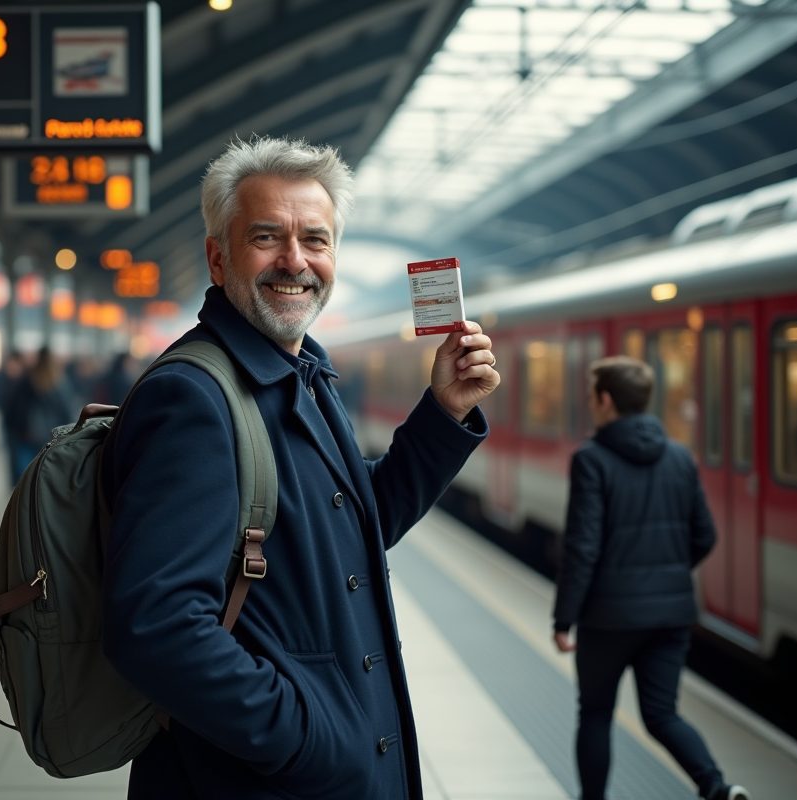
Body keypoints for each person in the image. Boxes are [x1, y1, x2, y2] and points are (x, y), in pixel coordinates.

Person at [100, 136, 499, 799]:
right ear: (217, 257)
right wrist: (308, 739)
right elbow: (156, 625)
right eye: (267, 237)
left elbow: (349, 526)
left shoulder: (300, 374)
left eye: (315, 239)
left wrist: (443, 414)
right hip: (262, 782)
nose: (296, 261)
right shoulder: (196, 398)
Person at [552, 356, 749, 800]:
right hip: (671, 616)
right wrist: (669, 574)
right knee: (662, 714)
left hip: (608, 616)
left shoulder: (591, 459)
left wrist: (564, 620)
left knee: (597, 714)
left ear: (604, 400)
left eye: (591, 395)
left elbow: (582, 547)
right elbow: (705, 534)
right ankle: (717, 787)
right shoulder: (680, 456)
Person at [6, 347, 76, 479]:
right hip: (50, 438)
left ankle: (25, 498)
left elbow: (13, 410)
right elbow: (66, 413)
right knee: (44, 478)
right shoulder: (60, 383)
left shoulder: (26, 380)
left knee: (25, 477)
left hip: (26, 436)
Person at [0, 350, 27, 481]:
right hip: (11, 429)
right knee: (14, 463)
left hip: (23, 431)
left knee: (22, 465)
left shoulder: (27, 384)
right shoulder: (7, 382)